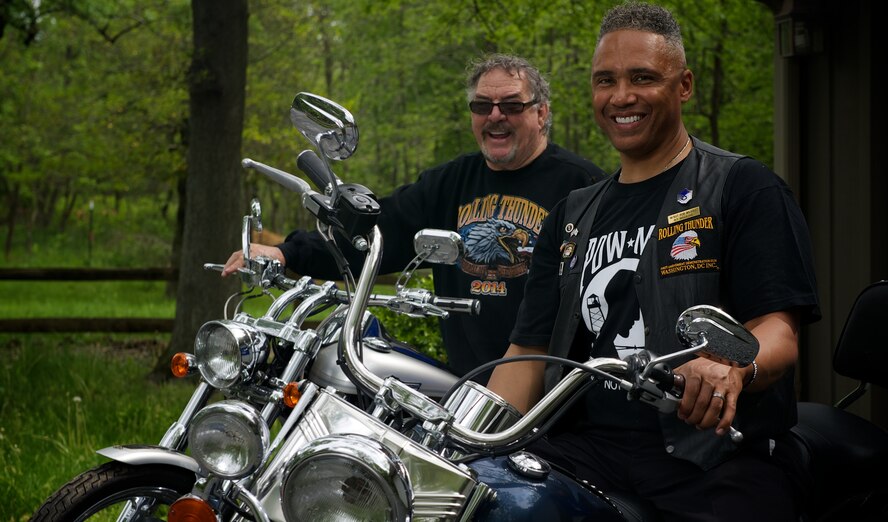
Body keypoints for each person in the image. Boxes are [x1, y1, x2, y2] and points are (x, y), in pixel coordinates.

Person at [486, 2, 820, 521]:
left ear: (683, 85)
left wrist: (731, 368)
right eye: (606, 80)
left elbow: (779, 330)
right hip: (588, 450)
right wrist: (470, 437)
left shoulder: (742, 187)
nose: (621, 96)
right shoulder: (572, 214)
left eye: (642, 77)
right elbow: (529, 350)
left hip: (717, 456)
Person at [222, 53, 608, 378]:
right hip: (466, 391)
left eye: (511, 105)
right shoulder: (449, 183)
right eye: (481, 106)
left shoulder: (582, 186)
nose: (495, 116)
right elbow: (375, 235)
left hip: (556, 398)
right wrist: (288, 252)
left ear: (541, 113)